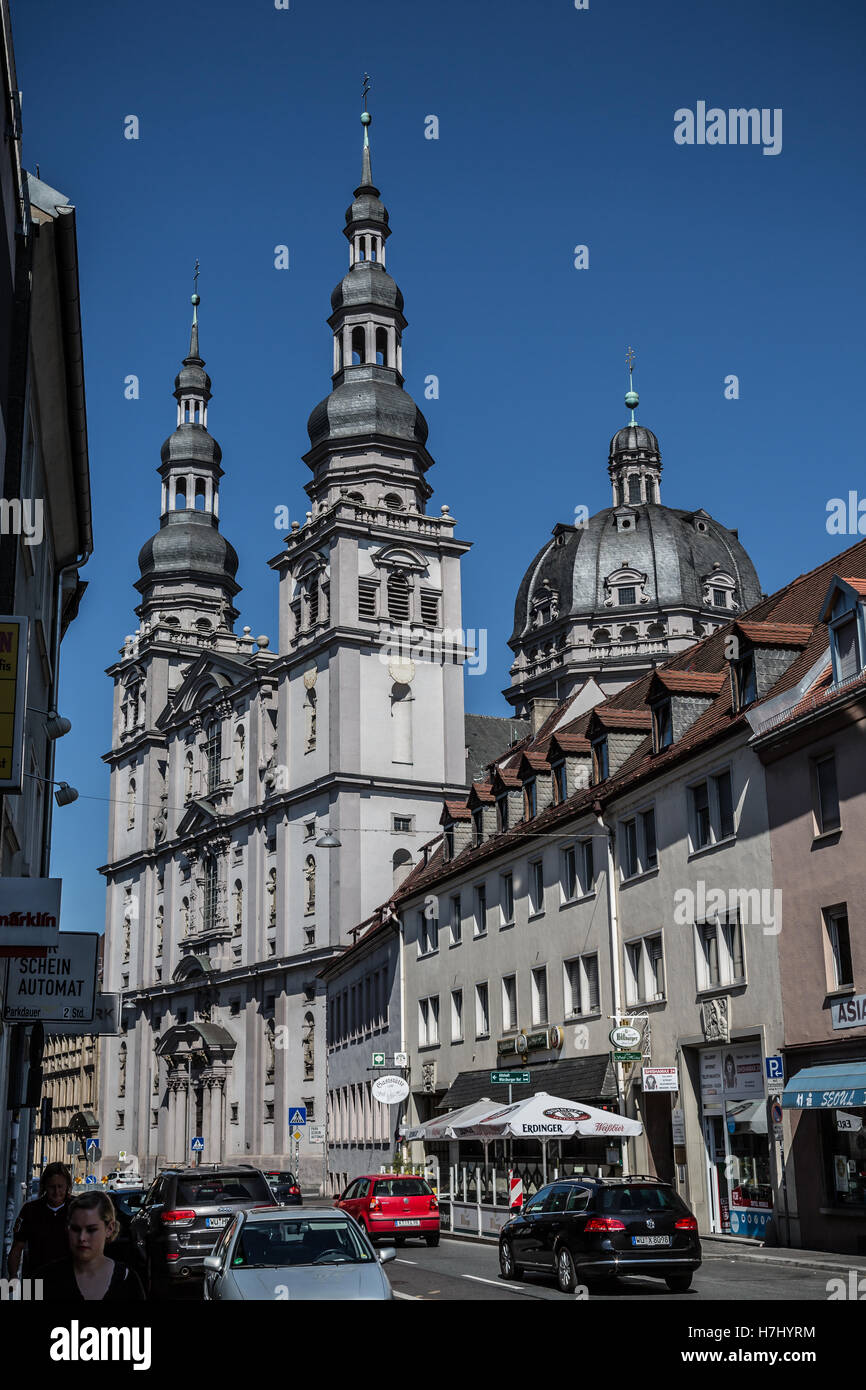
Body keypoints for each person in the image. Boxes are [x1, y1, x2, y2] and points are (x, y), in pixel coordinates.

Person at [37, 1191, 146, 1301]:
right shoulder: (39, 1278)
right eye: (75, 1229)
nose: (82, 1237)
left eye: (91, 1230)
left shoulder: (128, 1279)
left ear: (109, 1229)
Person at [7, 1162, 73, 1279]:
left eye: (60, 1186)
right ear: (45, 1186)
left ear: (67, 1185)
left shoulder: (77, 1208)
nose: (56, 1192)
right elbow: (17, 1247)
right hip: (33, 1278)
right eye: (52, 1187)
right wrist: (13, 1277)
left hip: (67, 1279)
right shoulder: (30, 1210)